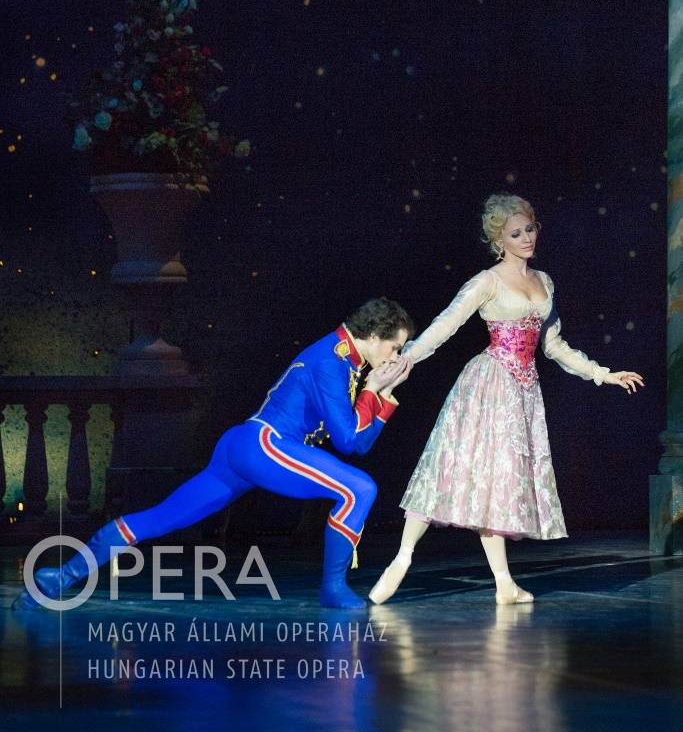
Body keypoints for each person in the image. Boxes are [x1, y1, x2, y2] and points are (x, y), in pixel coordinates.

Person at [14, 298, 414, 612]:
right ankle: (333, 589)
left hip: (244, 447)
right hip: (264, 445)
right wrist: (371, 392)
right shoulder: (331, 360)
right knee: (359, 489)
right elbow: (346, 440)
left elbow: (360, 443)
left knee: (161, 518)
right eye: (394, 347)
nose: (394, 356)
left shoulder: (345, 361)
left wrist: (382, 396)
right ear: (374, 335)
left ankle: (60, 577)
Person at [369, 194, 643, 606]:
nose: (526, 238)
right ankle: (402, 559)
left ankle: (504, 585)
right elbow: (446, 325)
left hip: (523, 391)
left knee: (501, 481)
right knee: (448, 468)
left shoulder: (544, 282)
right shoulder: (488, 281)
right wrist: (406, 357)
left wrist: (603, 374)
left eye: (530, 229)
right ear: (499, 240)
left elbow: (553, 345)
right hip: (490, 383)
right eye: (516, 233)